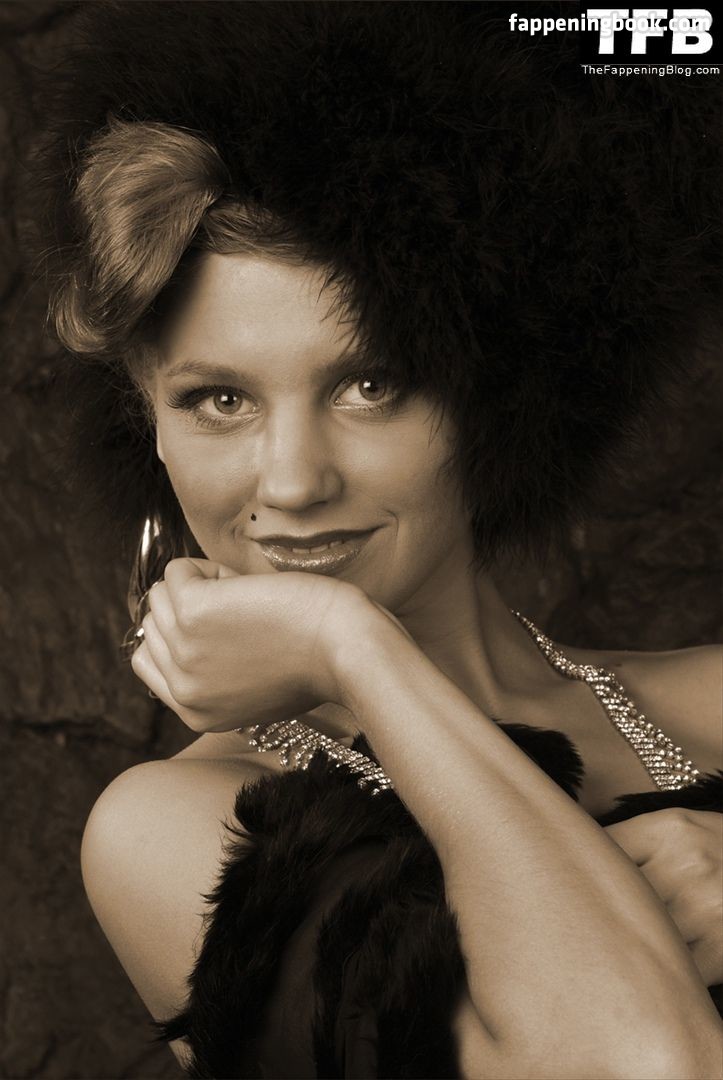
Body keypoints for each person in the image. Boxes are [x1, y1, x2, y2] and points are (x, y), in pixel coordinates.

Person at [28, 2, 722, 1077]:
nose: (294, 482)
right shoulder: (184, 832)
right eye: (219, 400)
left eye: (369, 385)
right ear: (146, 423)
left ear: (488, 403)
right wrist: (351, 646)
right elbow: (639, 1059)